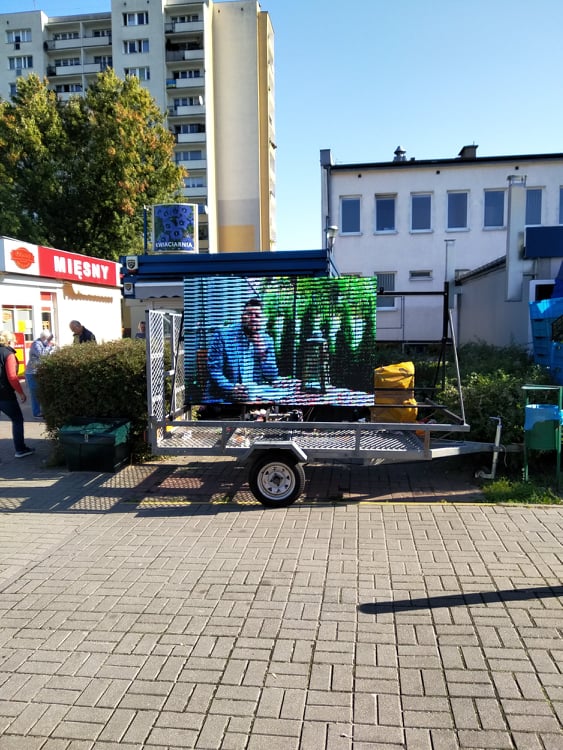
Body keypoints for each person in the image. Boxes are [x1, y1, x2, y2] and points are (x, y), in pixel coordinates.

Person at [205, 297, 278, 402]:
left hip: (254, 398)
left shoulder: (266, 340)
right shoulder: (223, 336)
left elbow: (272, 376)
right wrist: (231, 389)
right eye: (249, 314)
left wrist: (263, 355)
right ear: (242, 317)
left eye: (257, 316)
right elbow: (214, 371)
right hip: (224, 399)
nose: (253, 318)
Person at [0, 331, 34, 458]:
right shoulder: (8, 354)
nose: (15, 343)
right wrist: (21, 393)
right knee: (17, 419)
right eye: (14, 341)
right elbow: (12, 377)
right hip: (4, 394)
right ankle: (20, 449)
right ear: (9, 341)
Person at [24, 330, 52, 418]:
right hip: (32, 373)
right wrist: (50, 346)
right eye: (48, 339)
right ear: (44, 338)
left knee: (42, 392)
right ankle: (36, 413)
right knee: (35, 393)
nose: (49, 341)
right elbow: (42, 355)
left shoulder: (43, 344)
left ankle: (43, 411)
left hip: (39, 372)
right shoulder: (36, 344)